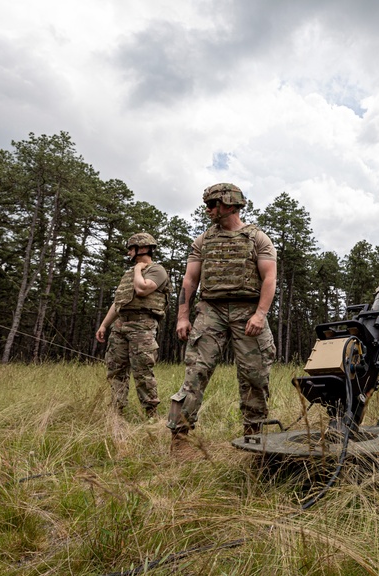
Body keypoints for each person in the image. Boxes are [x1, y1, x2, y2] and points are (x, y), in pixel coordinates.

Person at [167, 183, 277, 456]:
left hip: (248, 311)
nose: (208, 210)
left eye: (213, 204)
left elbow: (270, 279)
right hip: (211, 311)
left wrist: (260, 314)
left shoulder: (258, 238)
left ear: (229, 204)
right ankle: (180, 441)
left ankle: (254, 440)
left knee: (255, 376)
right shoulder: (203, 241)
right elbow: (190, 280)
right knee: (195, 374)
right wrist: (183, 316)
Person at [96, 232, 171, 418]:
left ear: (143, 248)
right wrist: (104, 325)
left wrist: (138, 269)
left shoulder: (157, 270)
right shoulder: (128, 274)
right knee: (115, 371)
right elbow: (118, 303)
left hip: (142, 326)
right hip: (120, 326)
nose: (129, 252)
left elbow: (142, 289)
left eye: (131, 248)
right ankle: (116, 413)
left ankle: (151, 415)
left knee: (142, 372)